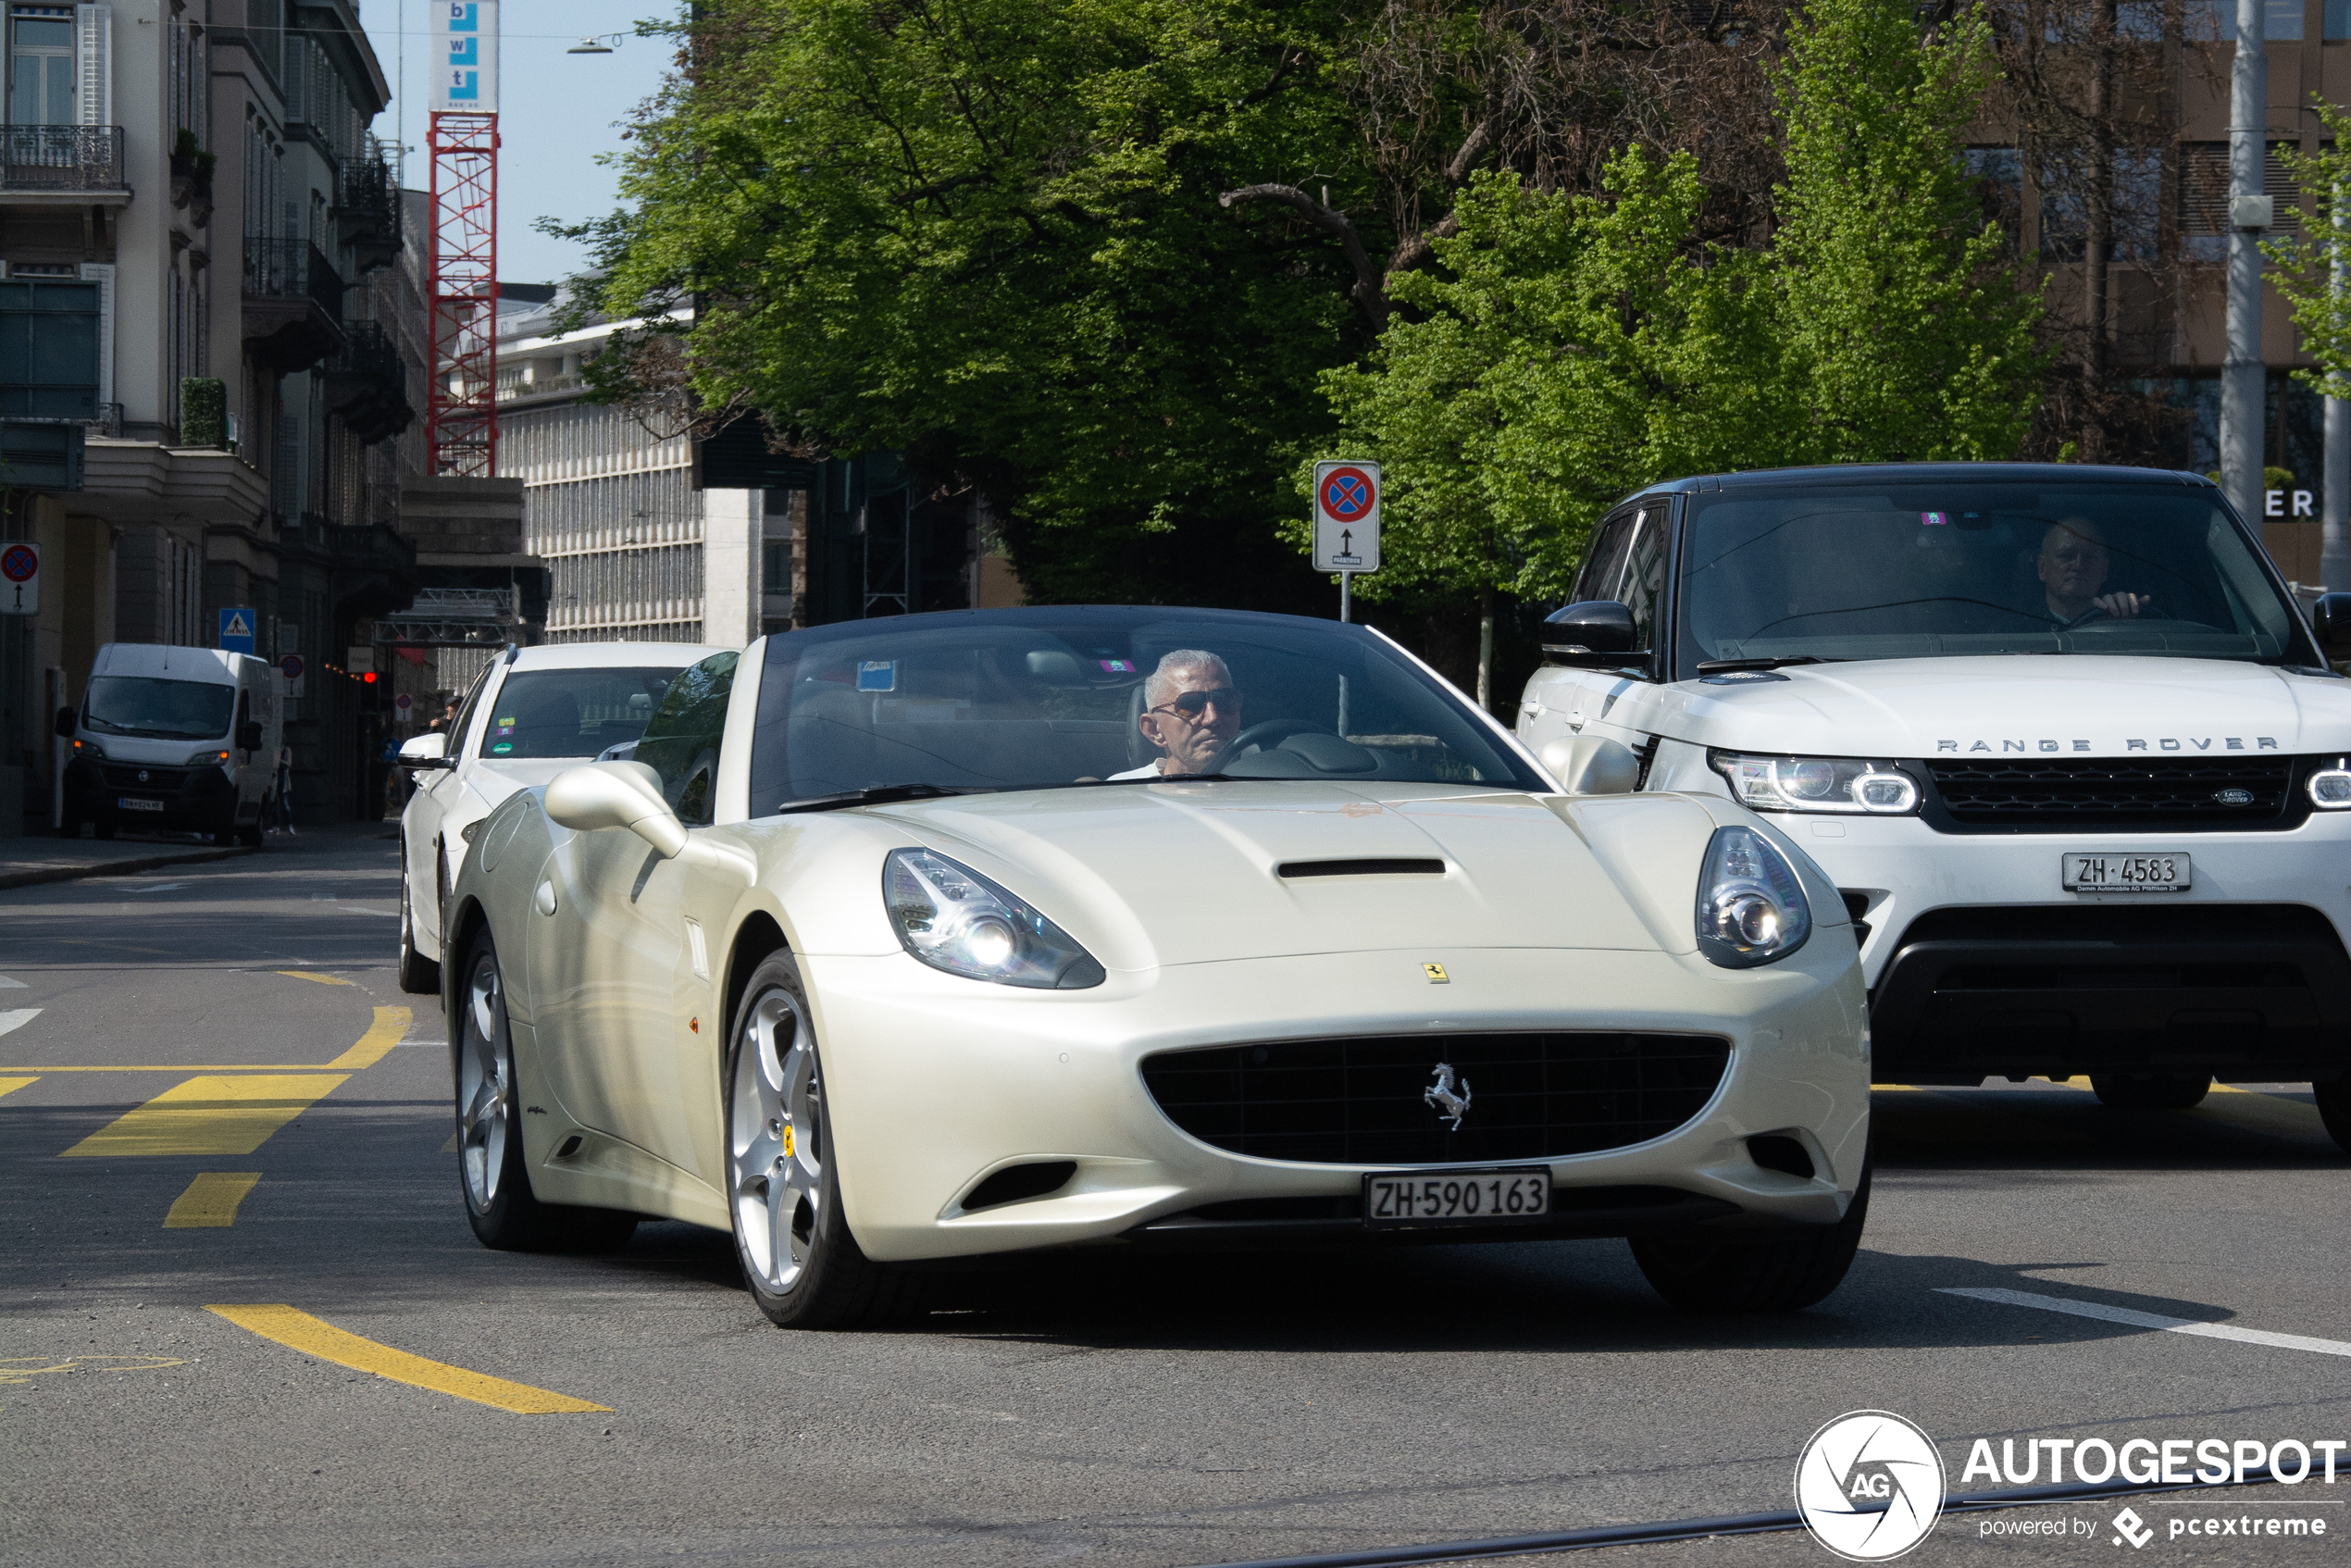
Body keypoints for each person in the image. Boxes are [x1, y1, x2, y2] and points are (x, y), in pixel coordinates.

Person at [1111, 650, 1243, 779]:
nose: (1212, 718)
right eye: (1190, 705)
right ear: (1154, 729)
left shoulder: (1261, 783)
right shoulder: (1120, 795)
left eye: (1223, 701)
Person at [2038, 517, 2151, 625]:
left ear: (2104, 570)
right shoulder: (2022, 629)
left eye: (2089, 557)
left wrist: (2122, 621)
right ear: (2042, 568)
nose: (2078, 565)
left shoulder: (2119, 623)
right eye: (2066, 556)